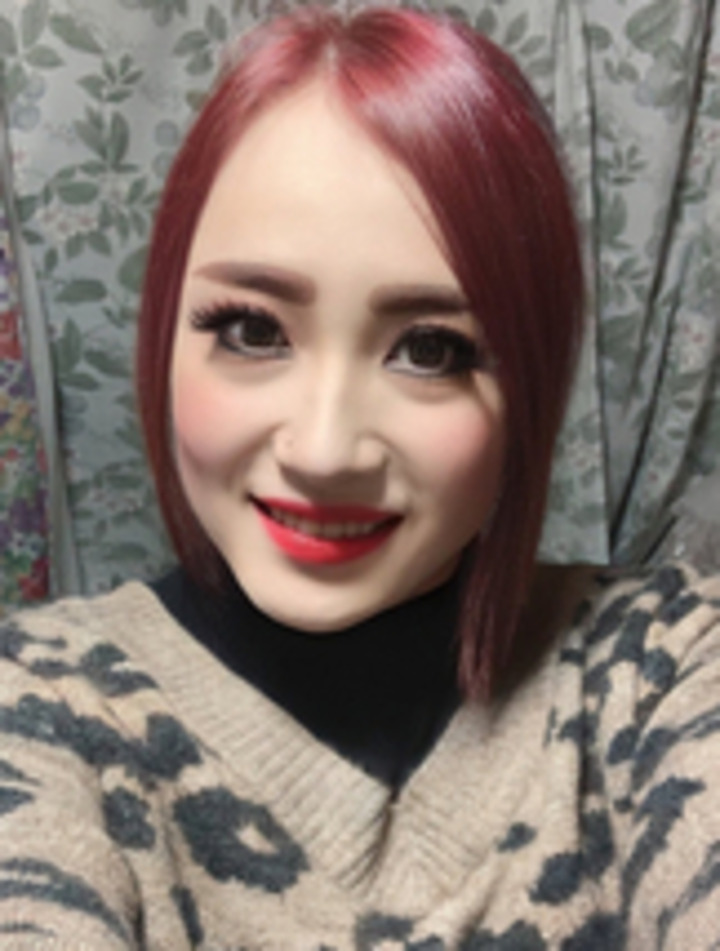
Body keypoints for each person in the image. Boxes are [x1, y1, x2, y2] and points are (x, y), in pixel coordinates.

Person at [0, 6, 719, 949]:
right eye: (253, 329)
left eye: (431, 348)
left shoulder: (662, 666)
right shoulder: (39, 708)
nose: (325, 449)